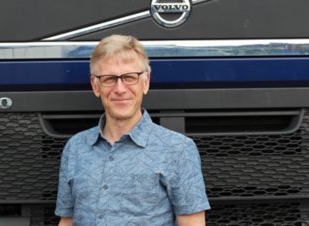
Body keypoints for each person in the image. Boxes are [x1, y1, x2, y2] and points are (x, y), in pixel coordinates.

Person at [55, 34, 210, 226]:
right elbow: (67, 221)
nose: (120, 89)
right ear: (96, 86)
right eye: (110, 79)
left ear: (145, 83)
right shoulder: (75, 148)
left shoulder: (178, 150)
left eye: (129, 77)